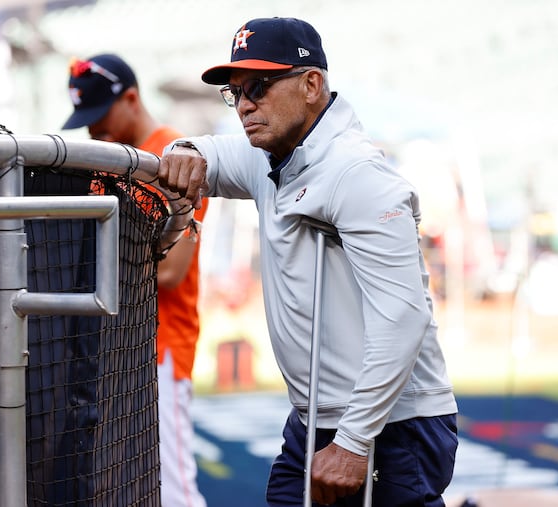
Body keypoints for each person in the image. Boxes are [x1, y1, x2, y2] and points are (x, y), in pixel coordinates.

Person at [156, 17, 458, 507]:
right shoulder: (268, 154)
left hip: (388, 424)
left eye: (258, 86)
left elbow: (404, 316)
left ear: (312, 84)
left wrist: (354, 442)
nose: (245, 105)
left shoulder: (356, 173)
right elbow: (200, 152)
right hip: (317, 417)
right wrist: (182, 149)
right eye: (235, 94)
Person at [61, 53, 208, 507]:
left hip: (161, 348)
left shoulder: (176, 156)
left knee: (175, 488)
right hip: (111, 349)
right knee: (120, 485)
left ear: (130, 98)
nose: (91, 131)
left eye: (99, 116)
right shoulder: (110, 164)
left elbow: (171, 270)